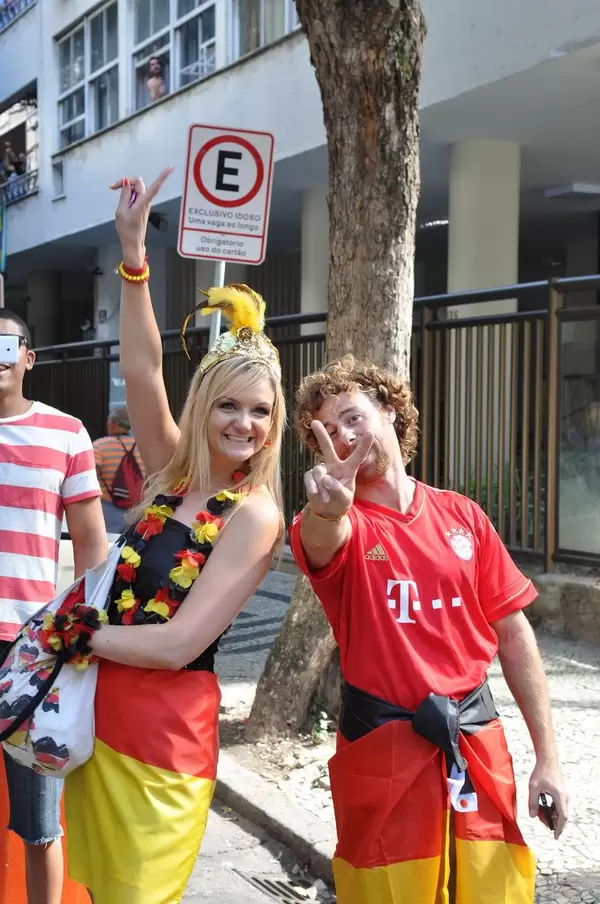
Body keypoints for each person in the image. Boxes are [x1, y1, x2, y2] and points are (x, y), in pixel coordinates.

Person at [61, 169, 286, 903]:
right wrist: (133, 257)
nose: (242, 424)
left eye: (259, 410)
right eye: (227, 405)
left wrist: (77, 634)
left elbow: (180, 644)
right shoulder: (169, 476)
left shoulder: (254, 514)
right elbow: (142, 365)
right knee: (92, 891)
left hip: (166, 745)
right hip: (98, 720)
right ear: (202, 408)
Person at [288, 356, 568, 904]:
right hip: (384, 750)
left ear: (389, 410)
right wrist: (327, 512)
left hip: (477, 744)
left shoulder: (462, 515)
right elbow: (323, 541)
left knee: (494, 892)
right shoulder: (336, 521)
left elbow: (513, 635)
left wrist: (548, 759)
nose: (343, 437)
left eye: (351, 417)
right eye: (327, 432)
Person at [0, 309, 107, 904]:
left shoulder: (65, 433)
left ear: (27, 358)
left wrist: (83, 634)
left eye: (5, 344)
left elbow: (91, 544)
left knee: (40, 819)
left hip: (31, 649)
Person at [93, 407, 145, 535]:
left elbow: (90, 477)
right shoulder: (142, 448)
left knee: (108, 550)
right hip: (136, 510)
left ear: (113, 423)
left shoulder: (99, 446)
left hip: (107, 510)